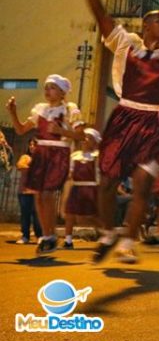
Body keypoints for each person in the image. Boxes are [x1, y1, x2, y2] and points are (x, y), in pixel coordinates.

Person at [78, 0, 159, 264]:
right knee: (107, 182)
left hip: (154, 123)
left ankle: (128, 241)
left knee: (143, 186)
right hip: (124, 117)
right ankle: (107, 234)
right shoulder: (126, 45)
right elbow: (101, 15)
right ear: (145, 25)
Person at [6, 75, 85, 254]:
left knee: (48, 194)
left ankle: (50, 235)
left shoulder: (70, 110)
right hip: (41, 154)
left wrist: (61, 130)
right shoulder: (40, 110)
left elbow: (81, 135)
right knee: (39, 196)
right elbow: (20, 130)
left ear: (62, 92)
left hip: (58, 153)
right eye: (46, 87)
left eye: (52, 87)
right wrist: (13, 112)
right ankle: (47, 235)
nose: (47, 91)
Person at [63, 128, 102, 249]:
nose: (85, 140)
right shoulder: (75, 156)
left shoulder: (97, 156)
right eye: (84, 137)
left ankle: (105, 233)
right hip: (76, 188)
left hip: (91, 189)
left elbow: (99, 174)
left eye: (89, 138)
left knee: (89, 217)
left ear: (95, 142)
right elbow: (70, 172)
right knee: (70, 214)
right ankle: (68, 241)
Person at [15, 138, 42, 244]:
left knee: (37, 215)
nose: (31, 146)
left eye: (34, 144)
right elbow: (20, 165)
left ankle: (39, 236)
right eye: (30, 144)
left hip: (37, 192)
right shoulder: (25, 157)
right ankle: (25, 236)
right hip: (24, 191)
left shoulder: (41, 159)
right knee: (25, 214)